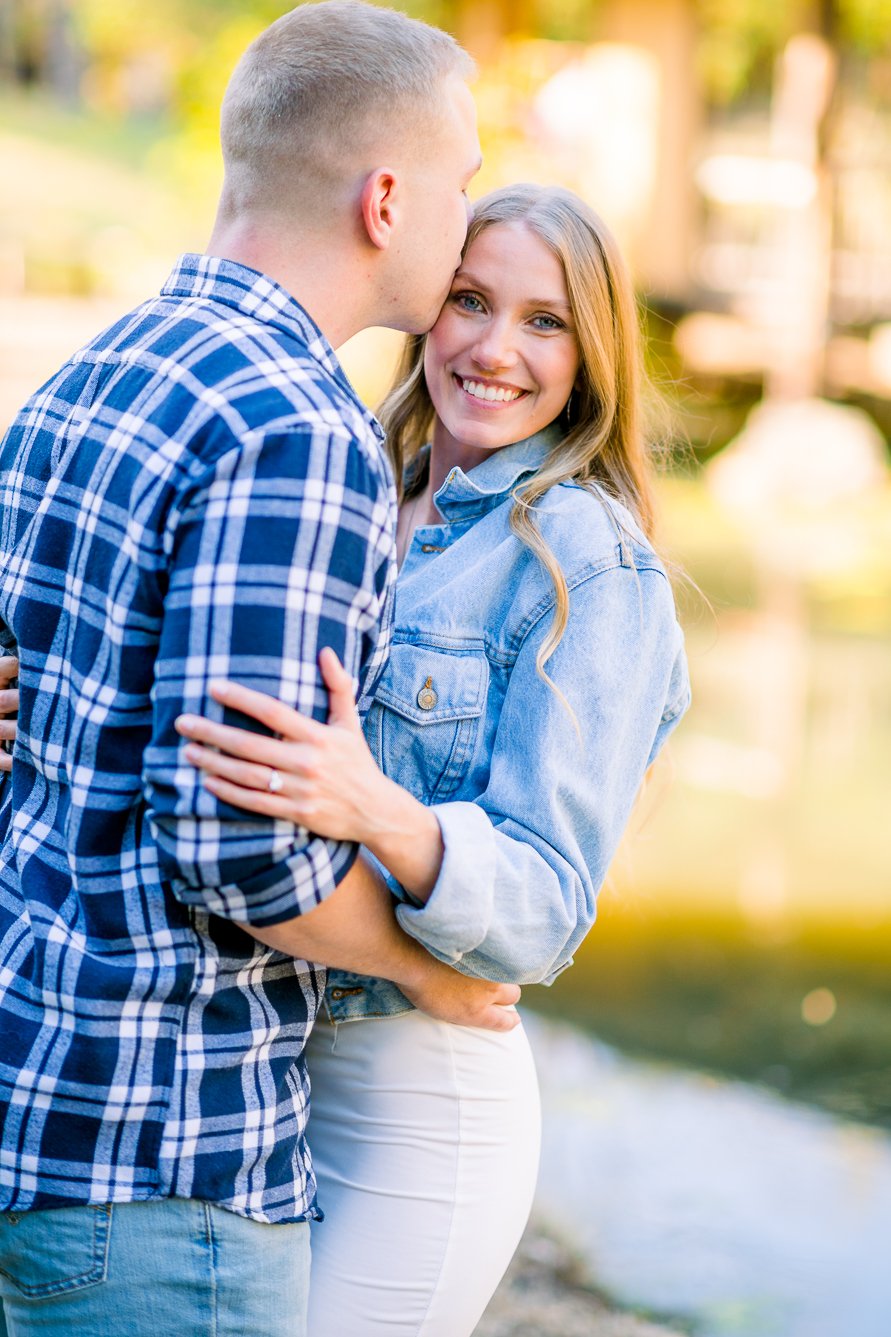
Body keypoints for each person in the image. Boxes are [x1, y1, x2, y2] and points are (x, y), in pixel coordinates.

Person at [0, 6, 521, 1335]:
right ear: (384, 198)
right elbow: (235, 850)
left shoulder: (91, 376)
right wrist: (427, 969)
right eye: (459, 184)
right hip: (163, 1166)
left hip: (35, 1114)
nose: (463, 220)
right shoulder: (299, 429)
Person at [176, 183, 691, 1336]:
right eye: (470, 299)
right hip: (260, 1063)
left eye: (545, 320)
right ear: (426, 306)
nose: (496, 348)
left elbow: (546, 907)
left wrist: (381, 809)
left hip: (421, 1098)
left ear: (593, 349)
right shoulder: (345, 479)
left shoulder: (589, 566)